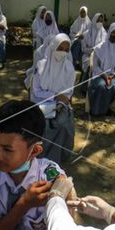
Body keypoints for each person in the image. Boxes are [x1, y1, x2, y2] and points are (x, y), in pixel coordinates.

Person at [0, 100, 67, 230]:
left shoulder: (49, 177)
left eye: (7, 149)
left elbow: (65, 229)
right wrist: (25, 203)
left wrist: (66, 196)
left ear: (35, 150)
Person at [31, 34, 75, 163]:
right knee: (44, 125)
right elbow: (36, 91)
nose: (63, 52)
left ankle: (57, 158)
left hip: (61, 104)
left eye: (66, 50)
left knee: (63, 125)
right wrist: (54, 95)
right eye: (60, 48)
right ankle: (41, 157)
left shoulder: (69, 68)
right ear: (53, 47)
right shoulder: (41, 66)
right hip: (41, 102)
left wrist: (62, 101)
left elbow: (69, 91)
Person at [88, 22, 115, 116]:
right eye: (113, 32)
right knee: (101, 86)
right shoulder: (100, 47)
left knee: (114, 87)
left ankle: (107, 108)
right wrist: (104, 76)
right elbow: (95, 66)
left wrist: (112, 76)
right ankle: (96, 110)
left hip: (113, 75)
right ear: (109, 33)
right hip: (99, 74)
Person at [80, 13, 107, 94]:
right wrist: (92, 50)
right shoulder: (86, 34)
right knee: (90, 64)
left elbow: (105, 48)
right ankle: (84, 88)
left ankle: (97, 88)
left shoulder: (105, 34)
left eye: (101, 21)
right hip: (88, 55)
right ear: (94, 21)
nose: (99, 22)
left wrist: (97, 51)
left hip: (100, 56)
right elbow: (83, 49)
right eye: (98, 20)